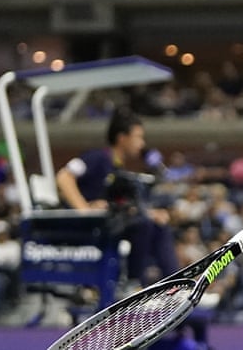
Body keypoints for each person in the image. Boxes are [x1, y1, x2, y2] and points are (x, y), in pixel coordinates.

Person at [55, 108, 178, 288]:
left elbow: (121, 205)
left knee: (159, 226)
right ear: (122, 137)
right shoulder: (97, 158)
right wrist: (84, 209)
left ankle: (176, 284)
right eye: (138, 137)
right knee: (144, 224)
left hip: (110, 223)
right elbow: (64, 177)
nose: (142, 144)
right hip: (86, 228)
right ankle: (134, 284)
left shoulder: (118, 169)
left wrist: (150, 213)